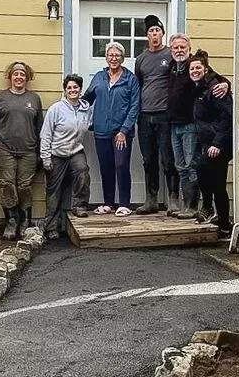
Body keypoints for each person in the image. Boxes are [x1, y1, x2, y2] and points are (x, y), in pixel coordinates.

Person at [166, 33, 229, 219]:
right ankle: (187, 206)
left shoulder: (194, 66)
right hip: (174, 124)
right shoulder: (172, 67)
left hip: (190, 125)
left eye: (182, 47)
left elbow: (217, 79)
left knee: (191, 165)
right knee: (180, 166)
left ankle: (193, 206)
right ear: (171, 50)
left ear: (189, 49)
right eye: (175, 48)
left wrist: (226, 83)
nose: (179, 51)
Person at [83, 42, 141, 217]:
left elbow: (134, 107)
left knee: (121, 165)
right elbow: (87, 99)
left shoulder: (130, 79)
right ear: (106, 58)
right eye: (110, 55)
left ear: (122, 58)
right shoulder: (99, 77)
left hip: (121, 133)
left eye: (117, 56)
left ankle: (124, 203)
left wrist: (124, 130)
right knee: (106, 167)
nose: (113, 58)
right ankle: (108, 202)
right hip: (101, 131)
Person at [0, 61, 43, 240]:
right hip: (4, 149)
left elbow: (39, 127)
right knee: (7, 184)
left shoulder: (34, 99)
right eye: (16, 74)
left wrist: (39, 153)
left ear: (27, 77)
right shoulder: (0, 98)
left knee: (24, 186)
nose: (19, 77)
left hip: (28, 151)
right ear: (10, 76)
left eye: (22, 74)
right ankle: (11, 221)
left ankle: (25, 221)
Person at [134, 15, 180, 215]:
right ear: (147, 36)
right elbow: (138, 85)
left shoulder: (171, 54)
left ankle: (173, 199)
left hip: (165, 116)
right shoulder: (141, 59)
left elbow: (195, 68)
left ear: (162, 34)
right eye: (151, 31)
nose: (155, 34)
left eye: (158, 31)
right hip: (145, 116)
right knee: (148, 160)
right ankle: (151, 199)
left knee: (168, 159)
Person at [39, 74, 92, 239]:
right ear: (65, 90)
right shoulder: (56, 109)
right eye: (69, 88)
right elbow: (46, 134)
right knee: (54, 190)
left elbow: (90, 125)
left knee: (83, 172)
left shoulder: (86, 109)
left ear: (80, 89)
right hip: (57, 153)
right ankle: (52, 226)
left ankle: (79, 206)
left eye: (75, 87)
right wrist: (46, 158)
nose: (72, 90)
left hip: (75, 151)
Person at [189, 51, 234, 240]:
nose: (195, 71)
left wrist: (217, 144)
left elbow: (227, 117)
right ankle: (222, 222)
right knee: (213, 180)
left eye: (198, 67)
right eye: (192, 68)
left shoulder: (215, 88)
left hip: (222, 141)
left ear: (206, 69)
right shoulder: (200, 88)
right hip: (210, 142)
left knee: (207, 173)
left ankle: (212, 211)